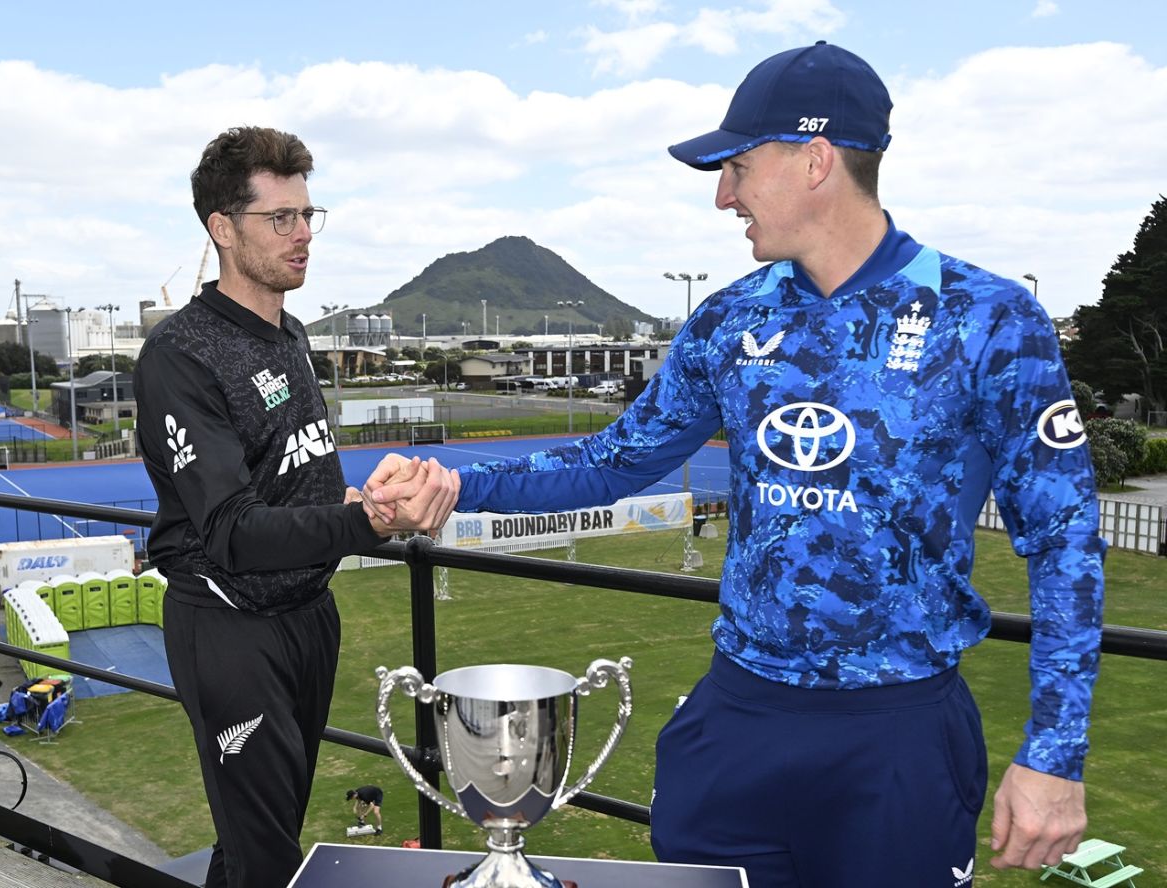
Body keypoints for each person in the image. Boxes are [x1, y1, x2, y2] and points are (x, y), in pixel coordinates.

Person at [367, 42, 1104, 888]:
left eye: (738, 167)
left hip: (896, 736)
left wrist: (1054, 753)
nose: (724, 195)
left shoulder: (987, 319)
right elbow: (614, 460)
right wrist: (459, 483)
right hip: (740, 718)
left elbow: (1067, 539)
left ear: (815, 160)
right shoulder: (729, 321)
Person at [134, 125, 458, 888]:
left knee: (257, 841)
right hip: (229, 629)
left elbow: (298, 483)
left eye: (309, 214)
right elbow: (233, 532)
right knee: (268, 858)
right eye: (281, 218)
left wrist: (358, 498)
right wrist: (372, 523)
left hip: (310, 613)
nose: (303, 234)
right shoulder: (181, 355)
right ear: (222, 229)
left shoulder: (293, 334)